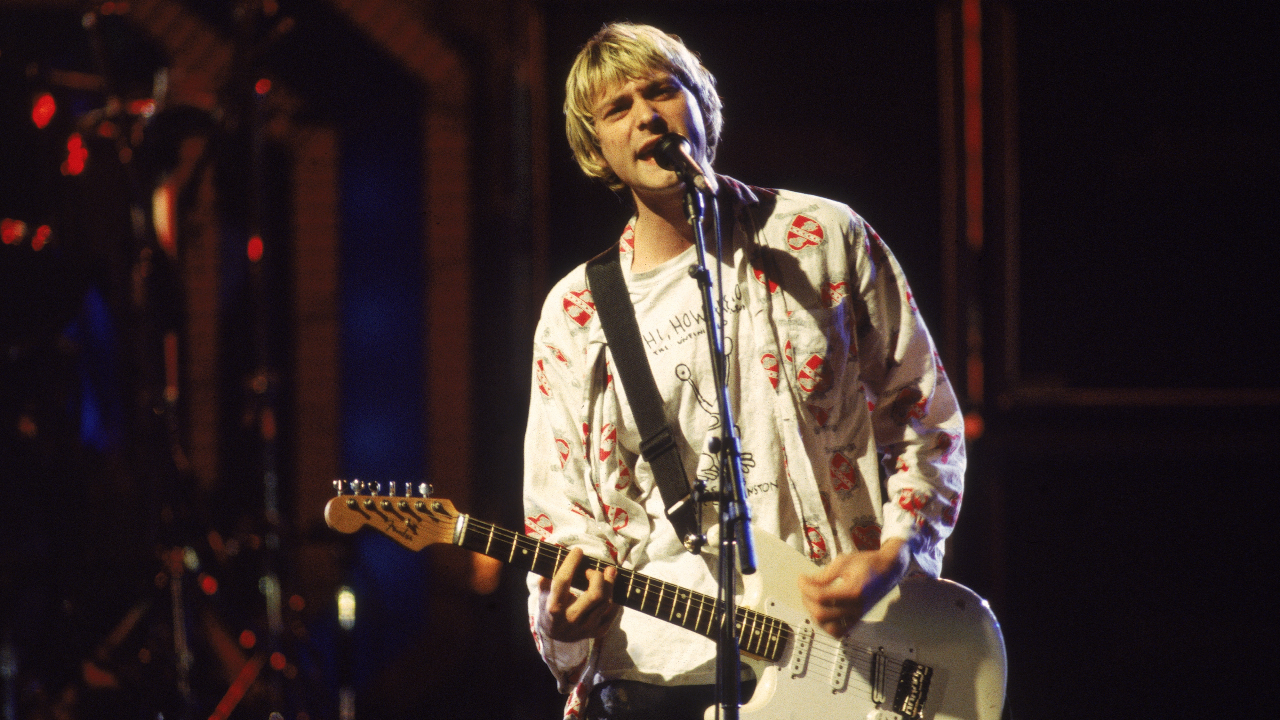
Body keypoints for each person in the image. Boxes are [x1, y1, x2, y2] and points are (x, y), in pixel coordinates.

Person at [523, 22, 965, 720]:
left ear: (701, 105)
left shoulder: (822, 238)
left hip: (837, 659)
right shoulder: (578, 311)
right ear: (597, 150)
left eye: (662, 90)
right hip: (657, 670)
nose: (646, 115)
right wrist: (563, 615)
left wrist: (897, 553)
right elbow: (562, 509)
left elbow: (921, 410)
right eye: (617, 109)